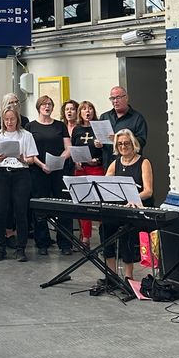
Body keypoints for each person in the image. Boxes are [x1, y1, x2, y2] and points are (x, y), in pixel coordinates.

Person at [98, 130, 153, 289]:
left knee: (126, 232)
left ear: (133, 144)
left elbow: (148, 191)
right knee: (105, 229)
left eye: (126, 143)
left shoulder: (144, 162)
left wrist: (133, 199)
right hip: (120, 206)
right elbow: (105, 184)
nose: (123, 146)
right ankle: (112, 275)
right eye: (120, 144)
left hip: (137, 207)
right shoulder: (116, 163)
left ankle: (129, 276)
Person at [0, 107, 39, 261]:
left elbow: (31, 158)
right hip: (2, 173)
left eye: (12, 119)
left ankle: (20, 248)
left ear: (17, 119)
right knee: (0, 212)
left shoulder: (26, 135)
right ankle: (0, 247)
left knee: (20, 211)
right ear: (3, 121)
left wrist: (25, 160)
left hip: (21, 174)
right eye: (6, 119)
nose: (9, 122)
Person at [27, 95, 72, 254]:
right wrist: (42, 164)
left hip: (59, 170)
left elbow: (68, 148)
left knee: (63, 206)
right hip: (39, 171)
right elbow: (28, 152)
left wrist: (59, 160)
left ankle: (65, 243)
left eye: (50, 104)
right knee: (40, 207)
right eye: (44, 104)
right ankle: (42, 243)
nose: (47, 107)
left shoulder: (60, 125)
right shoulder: (30, 126)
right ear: (38, 107)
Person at [70, 100, 105, 243]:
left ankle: (104, 236)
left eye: (90, 108)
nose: (87, 111)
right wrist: (76, 161)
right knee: (83, 203)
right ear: (80, 113)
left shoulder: (98, 128)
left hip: (96, 168)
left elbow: (108, 150)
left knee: (99, 202)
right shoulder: (77, 130)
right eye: (84, 109)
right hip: (81, 169)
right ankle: (85, 237)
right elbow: (73, 148)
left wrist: (99, 153)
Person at [102, 87, 148, 164]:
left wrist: (118, 140)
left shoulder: (137, 118)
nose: (115, 101)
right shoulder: (105, 117)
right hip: (108, 162)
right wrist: (98, 143)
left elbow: (141, 142)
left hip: (129, 163)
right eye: (112, 98)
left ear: (126, 98)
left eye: (118, 97)